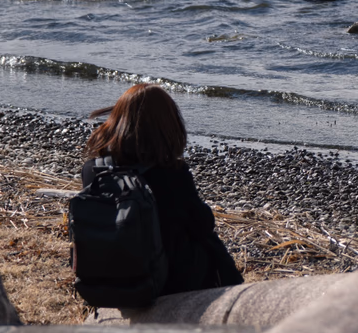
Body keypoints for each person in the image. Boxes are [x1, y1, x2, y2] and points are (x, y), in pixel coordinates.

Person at [81, 83, 243, 295]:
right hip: (165, 279)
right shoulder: (172, 173)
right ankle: (235, 294)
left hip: (107, 273)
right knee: (207, 241)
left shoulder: (93, 170)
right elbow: (202, 224)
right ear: (168, 127)